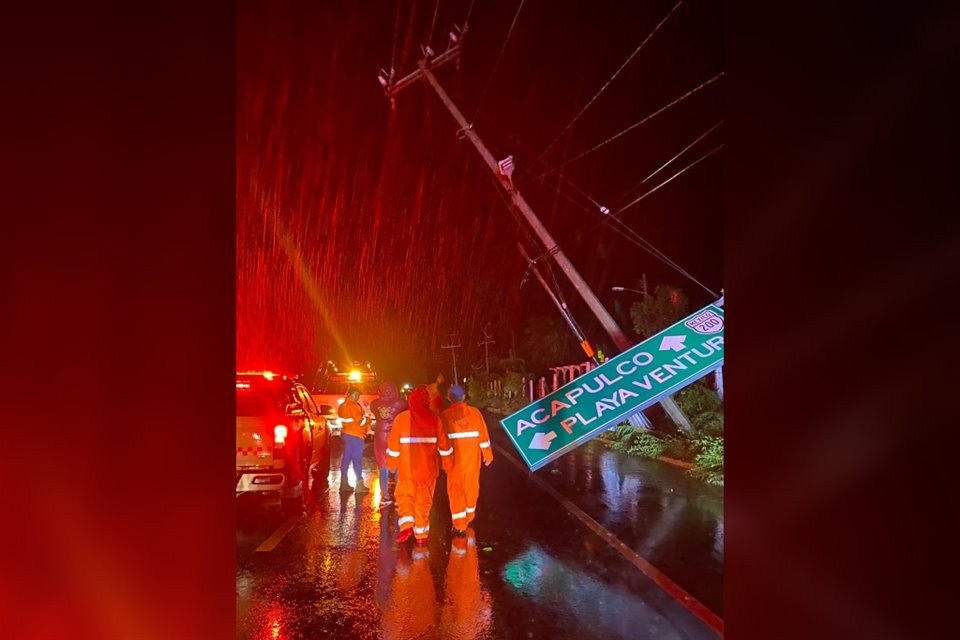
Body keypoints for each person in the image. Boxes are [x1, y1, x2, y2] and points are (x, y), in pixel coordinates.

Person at [386, 386, 453, 545]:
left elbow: (393, 446)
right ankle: (421, 536)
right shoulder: (434, 419)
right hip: (427, 470)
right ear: (426, 401)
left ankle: (407, 526)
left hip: (407, 470)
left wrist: (391, 465)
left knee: (405, 497)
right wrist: (448, 465)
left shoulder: (401, 419)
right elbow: (444, 446)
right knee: (424, 502)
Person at [442, 385, 494, 534]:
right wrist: (488, 455)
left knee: (456, 490)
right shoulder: (475, 413)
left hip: (454, 462)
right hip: (472, 460)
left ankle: (459, 525)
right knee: (471, 488)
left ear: (449, 398)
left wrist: (441, 461)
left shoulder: (444, 415)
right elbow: (483, 436)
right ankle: (469, 516)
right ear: (464, 397)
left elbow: (442, 441)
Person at [369, 381, 406, 507]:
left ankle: (385, 497)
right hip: (394, 436)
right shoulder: (399, 403)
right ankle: (398, 496)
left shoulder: (374, 404)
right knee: (396, 466)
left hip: (380, 436)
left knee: (382, 466)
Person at [337, 386, 369, 493]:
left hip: (346, 434)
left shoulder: (342, 406)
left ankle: (343, 483)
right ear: (350, 394)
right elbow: (360, 421)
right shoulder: (355, 406)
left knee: (346, 459)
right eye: (356, 395)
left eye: (358, 395)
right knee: (357, 460)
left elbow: (345, 420)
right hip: (356, 436)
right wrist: (367, 419)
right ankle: (359, 485)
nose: (357, 397)